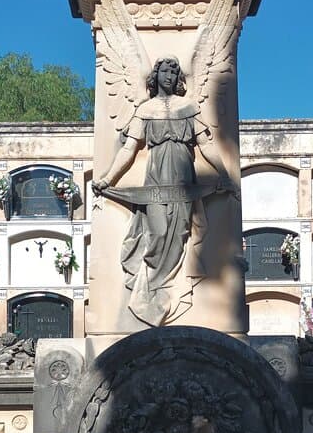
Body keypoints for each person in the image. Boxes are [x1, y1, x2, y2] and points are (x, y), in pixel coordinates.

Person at [94, 56, 233, 326]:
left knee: (180, 233)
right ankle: (150, 293)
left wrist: (224, 174)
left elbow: (205, 144)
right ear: (155, 76)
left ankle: (170, 293)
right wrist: (108, 178)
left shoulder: (189, 107)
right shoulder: (145, 110)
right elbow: (129, 148)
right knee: (156, 233)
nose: (169, 76)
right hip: (156, 180)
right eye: (165, 71)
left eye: (173, 72)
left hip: (183, 180)